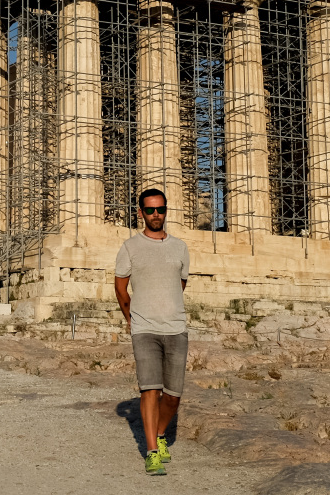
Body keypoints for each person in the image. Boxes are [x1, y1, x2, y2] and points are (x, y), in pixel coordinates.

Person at [114, 188, 190, 476]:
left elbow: (179, 284)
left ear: (166, 211)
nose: (155, 214)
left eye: (160, 210)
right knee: (150, 389)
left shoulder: (180, 247)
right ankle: (152, 451)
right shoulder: (130, 247)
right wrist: (131, 316)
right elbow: (120, 286)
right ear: (140, 213)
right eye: (150, 210)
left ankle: (159, 433)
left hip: (175, 327)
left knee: (173, 396)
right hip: (144, 328)